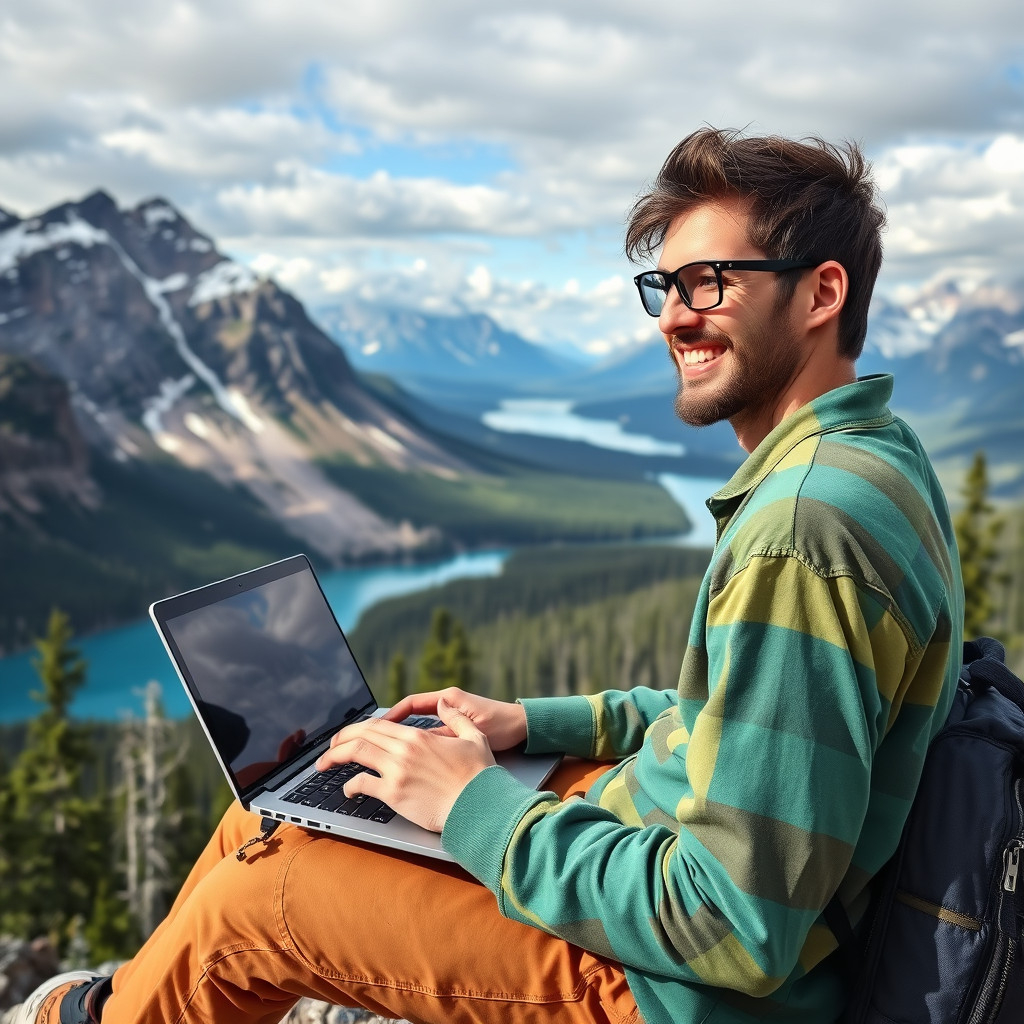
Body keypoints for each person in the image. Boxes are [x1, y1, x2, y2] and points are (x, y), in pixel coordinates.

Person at [18, 128, 964, 1024]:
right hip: (684, 882)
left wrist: (471, 802)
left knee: (258, 901)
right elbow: (730, 722)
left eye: (710, 282)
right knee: (285, 809)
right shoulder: (873, 453)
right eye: (665, 285)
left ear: (820, 293)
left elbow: (733, 927)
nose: (675, 315)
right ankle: (128, 1005)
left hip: (679, 992)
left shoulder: (800, 531)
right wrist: (526, 726)